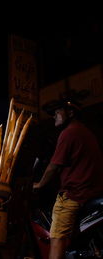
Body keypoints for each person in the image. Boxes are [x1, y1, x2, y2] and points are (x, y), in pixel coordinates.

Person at [33, 99, 103, 259]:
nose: (54, 116)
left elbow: (54, 165)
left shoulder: (69, 132)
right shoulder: (85, 132)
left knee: (56, 237)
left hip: (75, 194)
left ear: (70, 113)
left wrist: (39, 184)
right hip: (91, 192)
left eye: (58, 112)